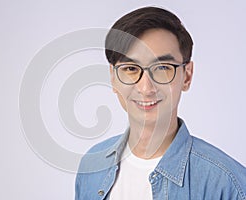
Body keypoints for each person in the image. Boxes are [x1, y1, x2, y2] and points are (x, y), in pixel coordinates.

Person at [75, 6, 246, 200]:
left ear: (187, 76)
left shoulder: (227, 183)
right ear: (113, 78)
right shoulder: (92, 165)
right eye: (131, 68)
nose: (146, 88)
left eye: (162, 67)